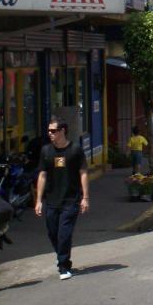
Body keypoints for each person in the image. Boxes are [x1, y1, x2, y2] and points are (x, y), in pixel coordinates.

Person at [35, 118, 89, 280]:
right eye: (49, 131)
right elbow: (42, 175)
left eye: (53, 131)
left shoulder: (75, 150)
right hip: (52, 200)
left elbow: (83, 173)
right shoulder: (46, 151)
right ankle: (63, 256)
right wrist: (38, 200)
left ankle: (63, 265)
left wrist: (85, 197)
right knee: (53, 232)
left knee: (64, 233)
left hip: (71, 199)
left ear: (62, 131)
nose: (50, 134)